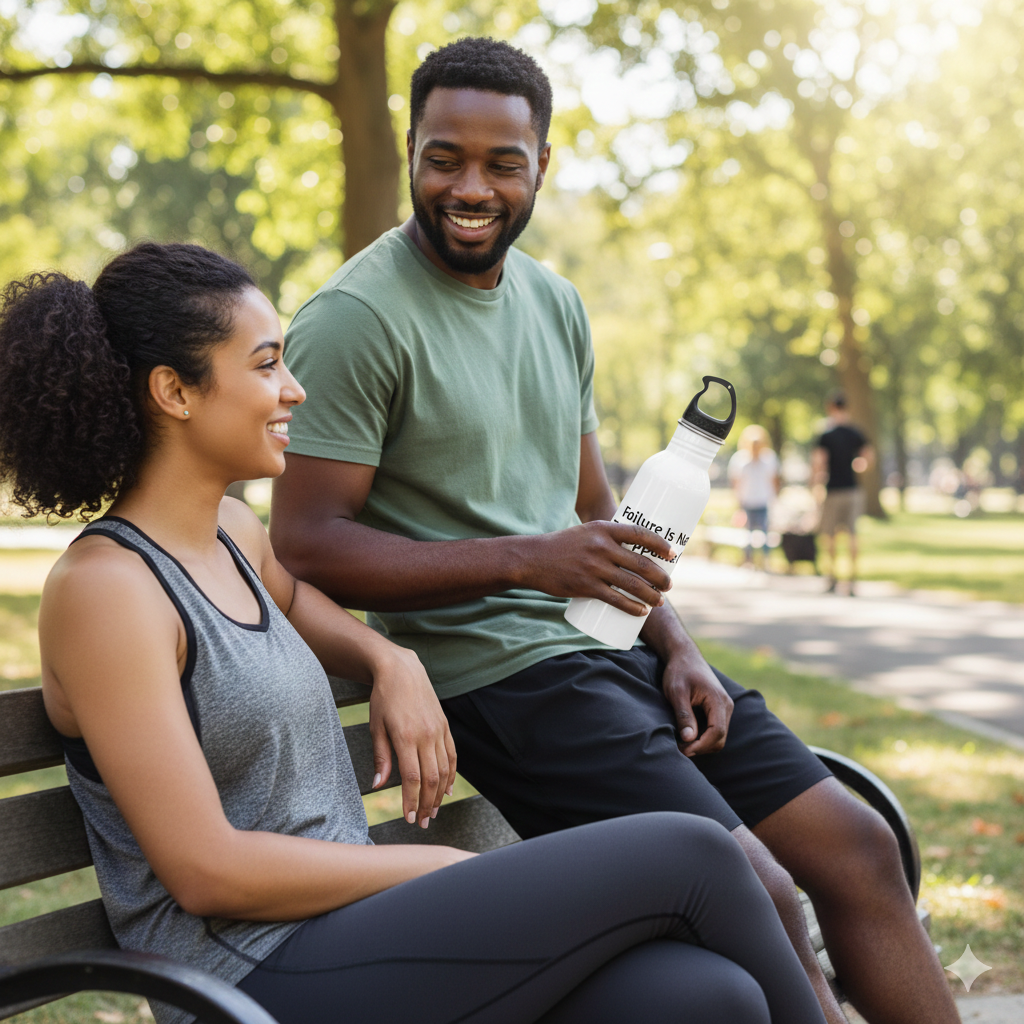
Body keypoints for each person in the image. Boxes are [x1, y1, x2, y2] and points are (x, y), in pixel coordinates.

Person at [271, 37, 960, 1024]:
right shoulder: (353, 318)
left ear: (540, 165)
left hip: (614, 655)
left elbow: (598, 514)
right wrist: (525, 559)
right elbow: (305, 542)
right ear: (412, 149)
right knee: (754, 889)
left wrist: (678, 648)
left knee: (859, 844)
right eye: (443, 156)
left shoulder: (554, 304)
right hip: (504, 681)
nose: (471, 184)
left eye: (502, 162)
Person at [0, 243, 832, 1024]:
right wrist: (431, 864)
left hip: (361, 929)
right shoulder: (108, 592)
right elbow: (205, 870)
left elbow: (294, 598)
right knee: (693, 854)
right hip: (254, 977)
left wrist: (386, 655)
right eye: (266, 365)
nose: (294, 390)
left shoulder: (229, 532)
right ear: (174, 393)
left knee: (705, 998)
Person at [811, 393, 873, 595]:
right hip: (852, 490)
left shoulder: (826, 435)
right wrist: (859, 466)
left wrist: (815, 486)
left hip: (833, 489)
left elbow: (819, 463)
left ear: (831, 408)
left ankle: (832, 578)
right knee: (852, 535)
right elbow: (868, 457)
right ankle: (853, 581)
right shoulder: (856, 432)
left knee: (830, 536)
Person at [727, 425, 780, 569]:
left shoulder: (770, 458)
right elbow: (736, 483)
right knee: (747, 535)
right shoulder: (740, 460)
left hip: (763, 500)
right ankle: (748, 560)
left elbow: (774, 480)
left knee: (765, 534)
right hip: (747, 501)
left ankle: (765, 561)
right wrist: (738, 505)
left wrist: (775, 499)